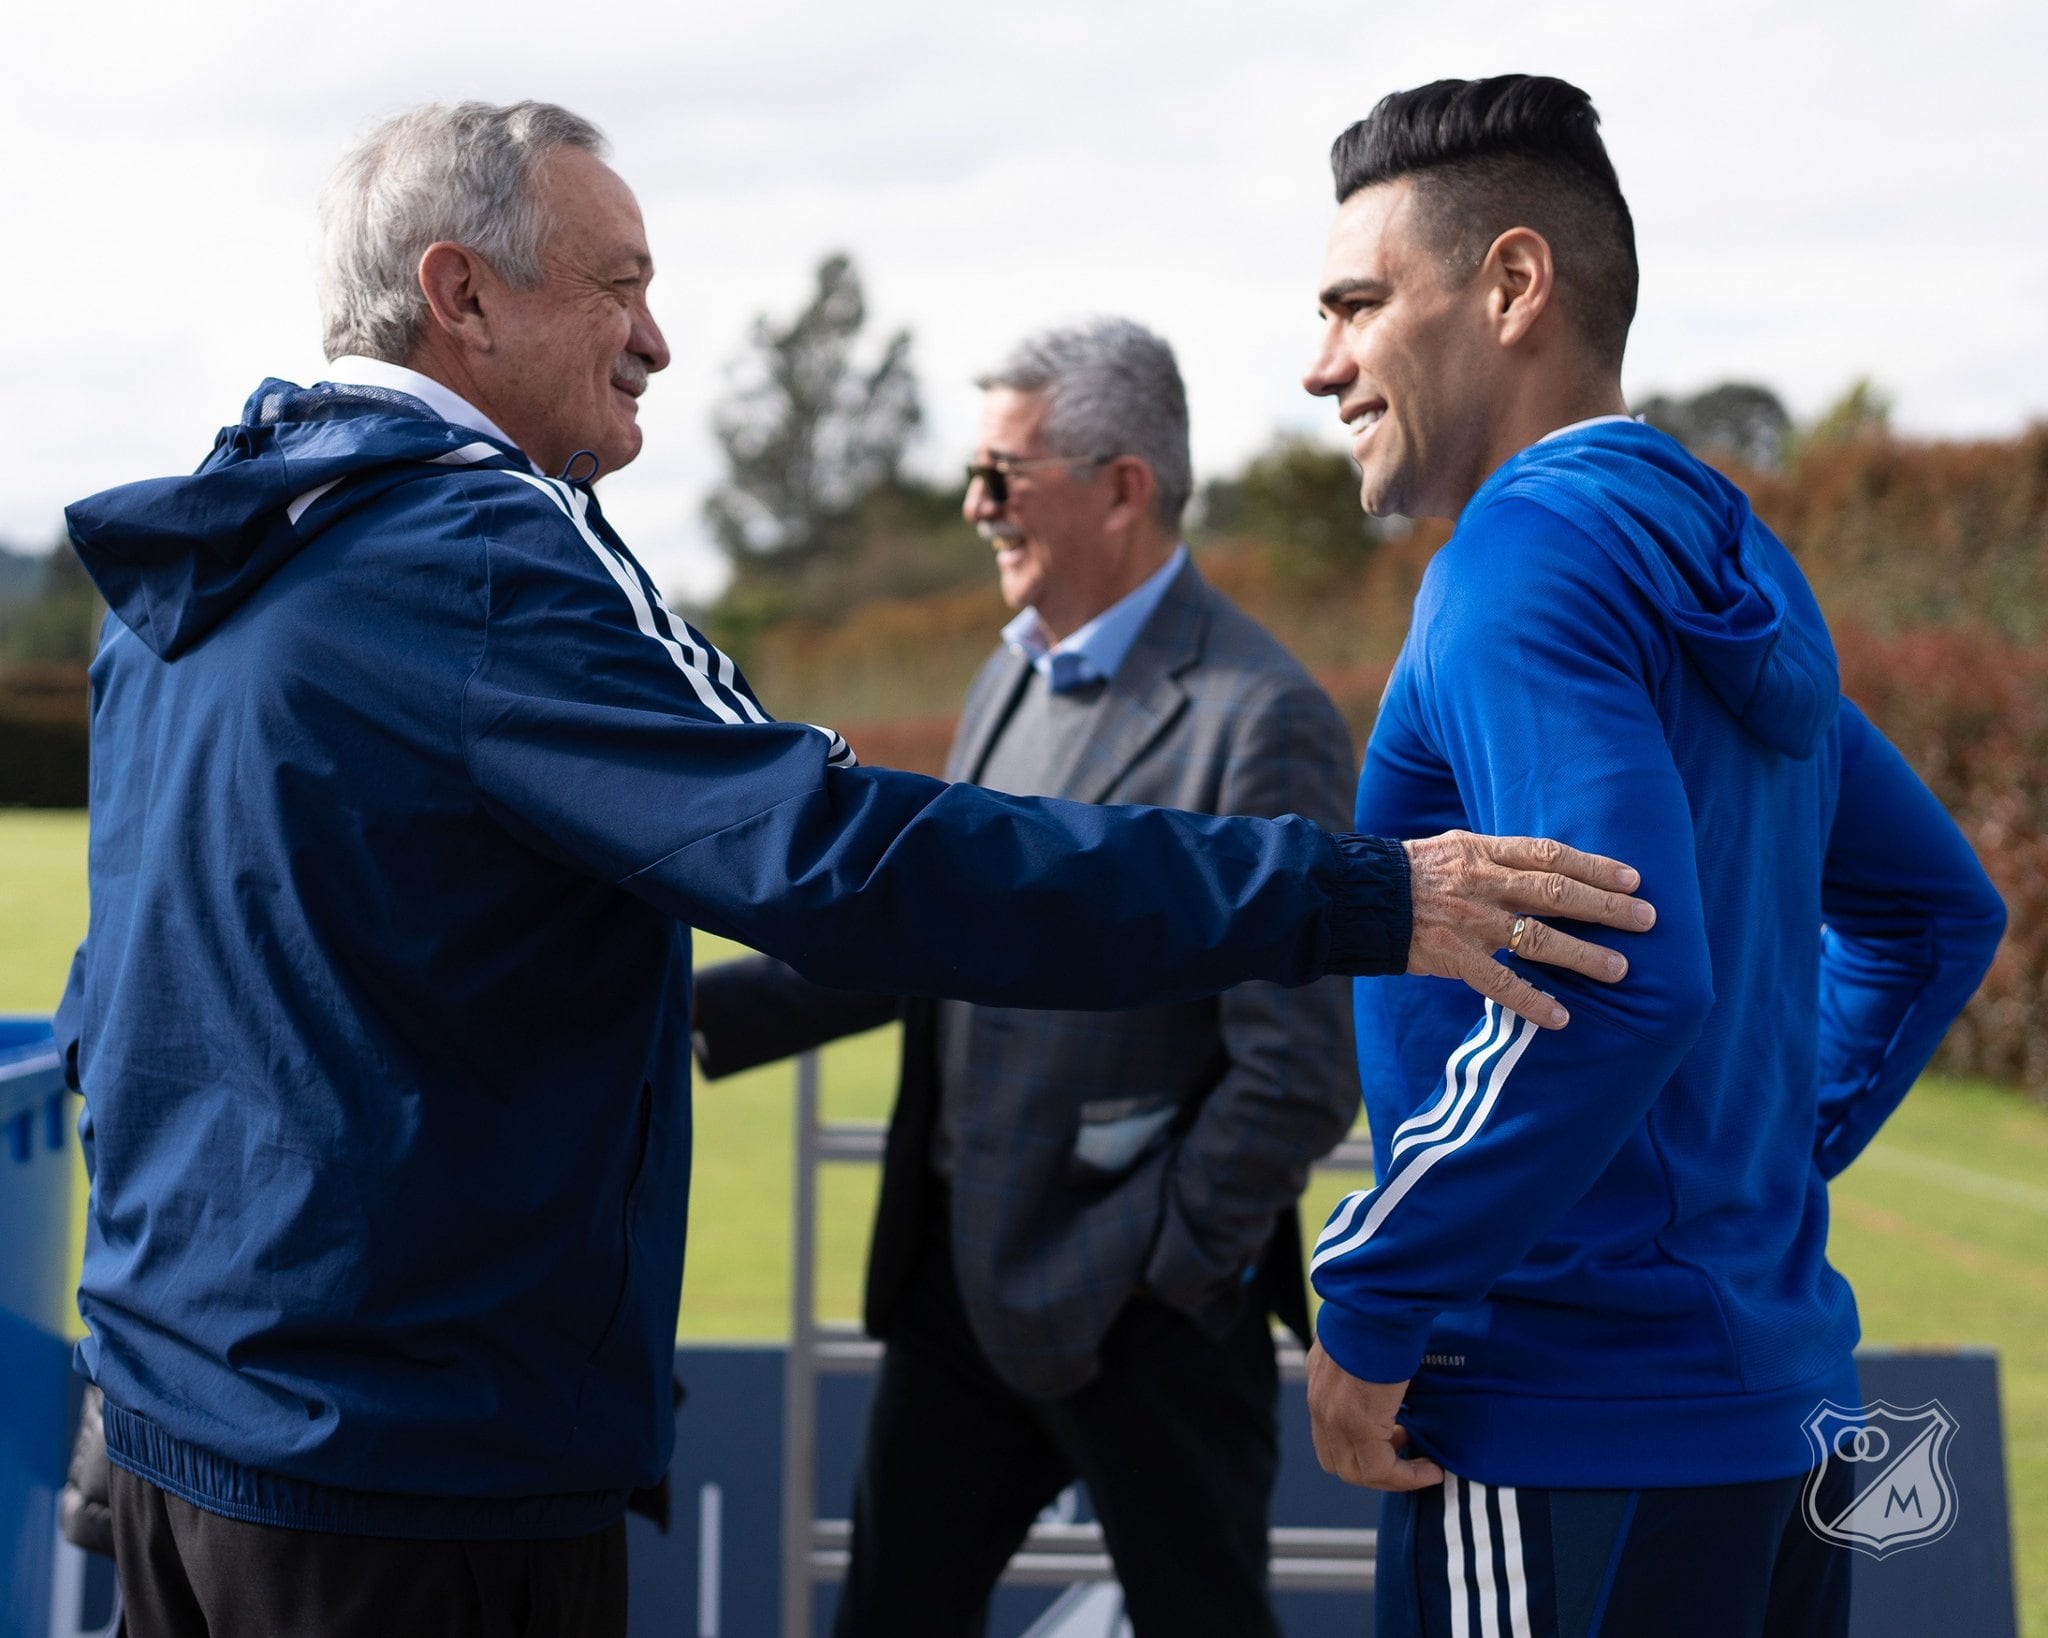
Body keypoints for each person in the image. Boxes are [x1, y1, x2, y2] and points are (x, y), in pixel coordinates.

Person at [56, 100, 1651, 1638]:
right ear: (459, 296)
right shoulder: (488, 552)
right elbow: (834, 854)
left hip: (180, 1441)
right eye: (621, 285)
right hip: (404, 1484)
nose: (660, 339)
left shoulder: (209, 555)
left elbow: (120, 1004)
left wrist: (123, 1386)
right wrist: (1363, 893)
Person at [1296, 76, 2007, 1638]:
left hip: (1557, 1413)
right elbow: (1939, 912)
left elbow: (1619, 983)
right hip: (1769, 1410)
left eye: (1357, 303)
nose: (1320, 363)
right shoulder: (1734, 550)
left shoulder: (1516, 558)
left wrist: (1380, 1297)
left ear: (1513, 285)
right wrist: (1755, 1157)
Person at [695, 318, 1358, 1636]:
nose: (974, 506)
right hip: (958, 1290)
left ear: (1124, 486)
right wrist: (686, 1013)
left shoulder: (1263, 716)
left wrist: (1163, 1264)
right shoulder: (1007, 672)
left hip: (1140, 1311)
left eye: (1004, 474)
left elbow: (1299, 1065)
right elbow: (937, 923)